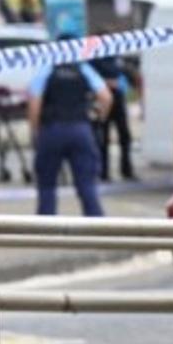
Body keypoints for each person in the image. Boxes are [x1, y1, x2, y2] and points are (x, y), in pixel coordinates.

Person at [27, 43, 113, 216]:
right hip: (80, 130)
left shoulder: (47, 69)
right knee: (87, 186)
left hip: (51, 130)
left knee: (47, 186)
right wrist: (98, 119)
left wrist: (35, 131)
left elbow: (34, 103)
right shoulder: (83, 69)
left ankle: (45, 231)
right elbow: (106, 97)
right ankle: (98, 231)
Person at [89, 53, 137, 181]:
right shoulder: (94, 58)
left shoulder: (115, 57)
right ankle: (103, 172)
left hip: (117, 97)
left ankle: (126, 169)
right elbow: (91, 78)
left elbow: (124, 74)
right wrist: (107, 82)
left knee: (125, 136)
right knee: (103, 137)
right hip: (102, 98)